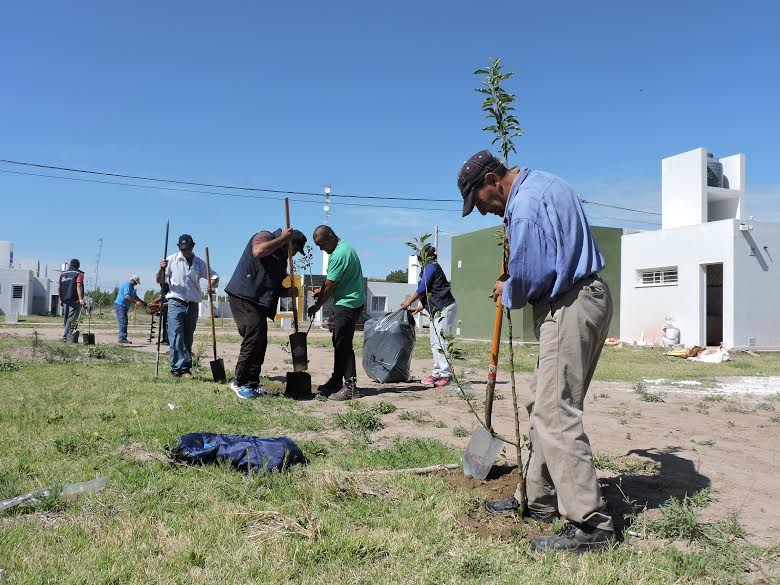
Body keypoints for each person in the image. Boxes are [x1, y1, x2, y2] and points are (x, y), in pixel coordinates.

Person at [457, 150, 614, 553]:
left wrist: (505, 288)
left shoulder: (523, 207)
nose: (484, 212)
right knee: (542, 404)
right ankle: (540, 498)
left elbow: (530, 278)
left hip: (570, 303)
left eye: (480, 202)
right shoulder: (545, 181)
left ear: (493, 180)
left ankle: (591, 524)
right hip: (585, 298)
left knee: (556, 411)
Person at [224, 227, 306, 399]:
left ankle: (252, 384)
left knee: (261, 341)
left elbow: (274, 287)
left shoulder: (282, 259)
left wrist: (288, 291)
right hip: (244, 296)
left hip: (259, 302)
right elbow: (258, 251)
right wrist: (283, 239)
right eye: (296, 249)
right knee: (253, 336)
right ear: (289, 242)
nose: (296, 254)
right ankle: (238, 382)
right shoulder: (265, 236)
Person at [307, 226, 365, 401]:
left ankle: (350, 387)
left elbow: (330, 285)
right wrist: (321, 289)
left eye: (321, 244)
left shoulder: (339, 255)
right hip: (351, 301)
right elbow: (333, 281)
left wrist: (317, 307)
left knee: (343, 344)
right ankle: (336, 381)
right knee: (339, 341)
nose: (320, 249)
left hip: (347, 304)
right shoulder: (345, 248)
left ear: (331, 237)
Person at [156, 234, 218, 379]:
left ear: (192, 247)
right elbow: (159, 280)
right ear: (179, 248)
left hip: (193, 304)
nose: (185, 251)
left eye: (188, 249)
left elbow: (214, 276)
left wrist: (210, 285)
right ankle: (177, 369)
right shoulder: (171, 260)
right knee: (176, 335)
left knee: (188, 338)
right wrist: (161, 269)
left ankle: (186, 368)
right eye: (183, 249)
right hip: (175, 302)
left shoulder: (199, 263)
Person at [400, 245, 457, 387]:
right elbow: (429, 292)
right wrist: (419, 308)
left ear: (425, 256)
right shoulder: (428, 268)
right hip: (436, 309)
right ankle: (437, 373)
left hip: (444, 307)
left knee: (441, 341)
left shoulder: (431, 266)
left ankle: (446, 374)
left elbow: (421, 289)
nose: (418, 259)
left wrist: (408, 302)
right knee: (434, 341)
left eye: (419, 256)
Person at [114, 275, 146, 344]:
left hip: (124, 307)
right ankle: (122, 338)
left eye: (136, 283)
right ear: (132, 280)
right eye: (135, 282)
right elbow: (127, 296)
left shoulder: (132, 288)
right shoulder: (127, 285)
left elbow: (135, 296)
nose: (136, 284)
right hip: (120, 305)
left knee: (125, 321)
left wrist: (142, 302)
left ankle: (123, 337)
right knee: (123, 321)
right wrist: (136, 302)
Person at [58, 259, 85, 341]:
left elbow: (59, 288)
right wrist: (80, 299)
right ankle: (65, 336)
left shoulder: (62, 274)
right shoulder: (79, 273)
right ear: (78, 265)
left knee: (66, 318)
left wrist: (61, 299)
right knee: (72, 318)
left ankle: (68, 335)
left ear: (70, 265)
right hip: (74, 299)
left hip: (65, 298)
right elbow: (78, 286)